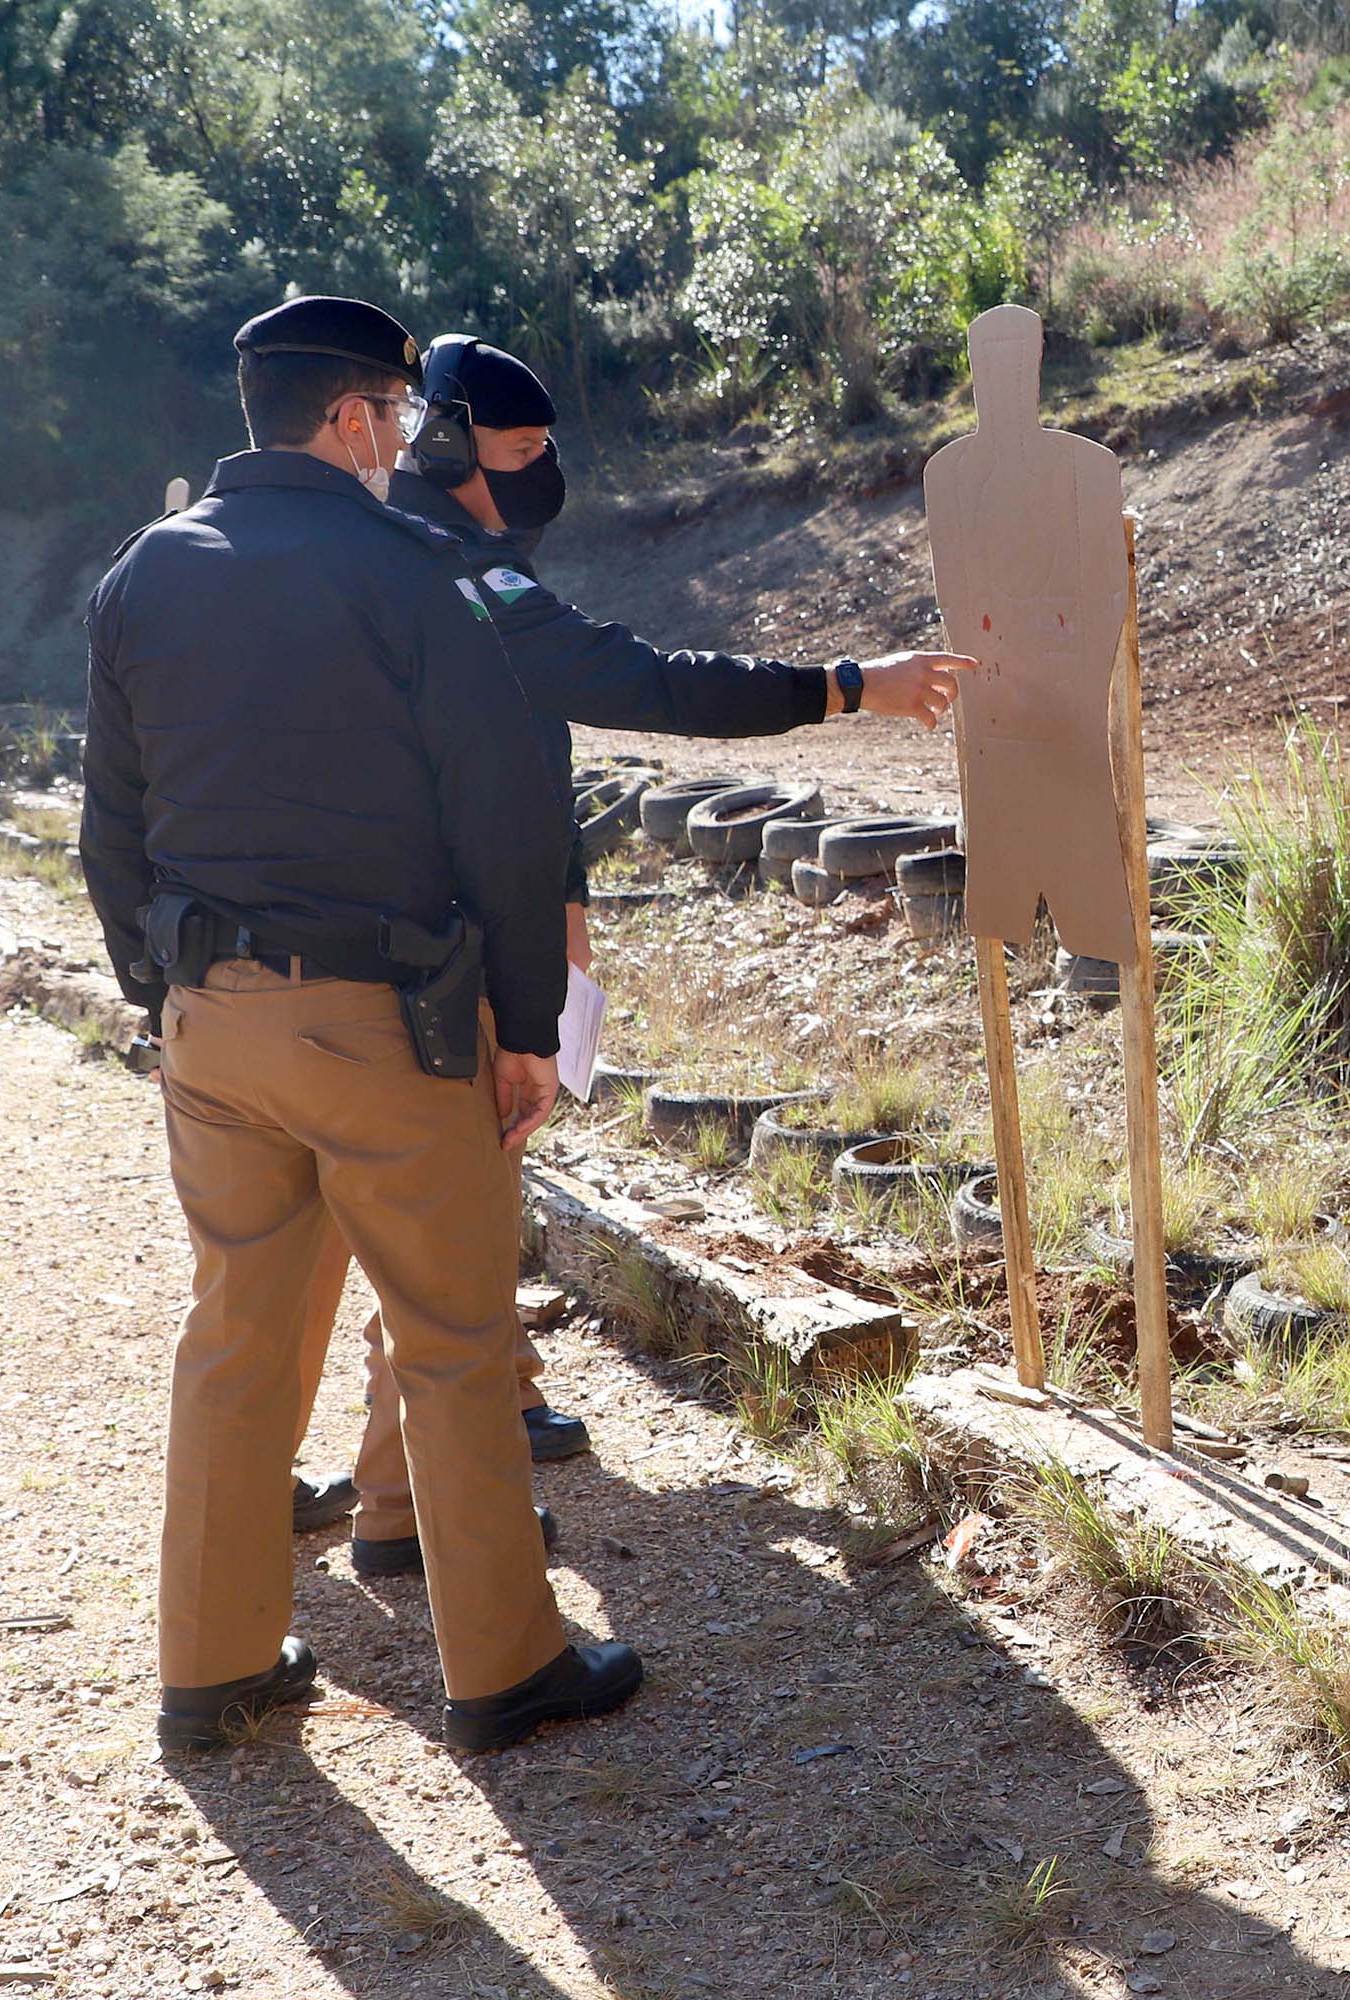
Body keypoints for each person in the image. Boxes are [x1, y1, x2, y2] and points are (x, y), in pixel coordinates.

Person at [288, 333, 970, 1575]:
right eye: (524, 448)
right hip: (434, 947)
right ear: (443, 441)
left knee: (426, 1206)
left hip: (425, 932)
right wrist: (848, 683)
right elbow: (637, 680)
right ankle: (411, 1493)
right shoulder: (444, 571)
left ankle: (451, 1430)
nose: (545, 469)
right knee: (433, 1207)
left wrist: (562, 916)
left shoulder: (414, 555)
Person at [82, 294, 641, 1755]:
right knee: (452, 1335)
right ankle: (507, 1670)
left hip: (208, 1021)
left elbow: (112, 831)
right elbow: (505, 814)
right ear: (348, 419)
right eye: (390, 417)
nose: (399, 441)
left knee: (236, 1344)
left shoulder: (142, 572)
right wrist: (528, 1027)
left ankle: (211, 1672)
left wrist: (168, 1002)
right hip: (382, 1022)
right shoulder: (409, 570)